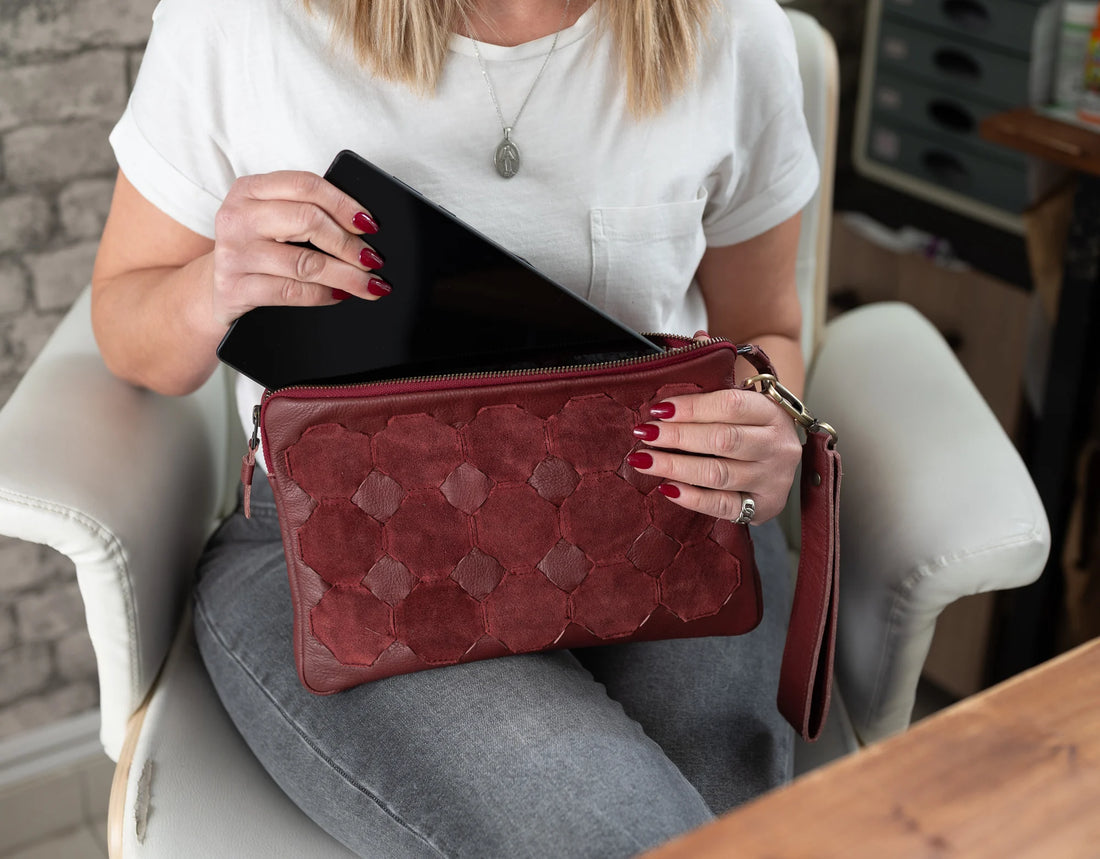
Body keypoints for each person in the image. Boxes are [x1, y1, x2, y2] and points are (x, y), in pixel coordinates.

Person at [91, 0, 819, 855]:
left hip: (660, 513)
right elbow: (128, 329)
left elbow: (767, 331)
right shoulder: (240, 23)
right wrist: (214, 284)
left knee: (733, 816)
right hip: (336, 545)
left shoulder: (733, 28)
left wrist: (773, 422)